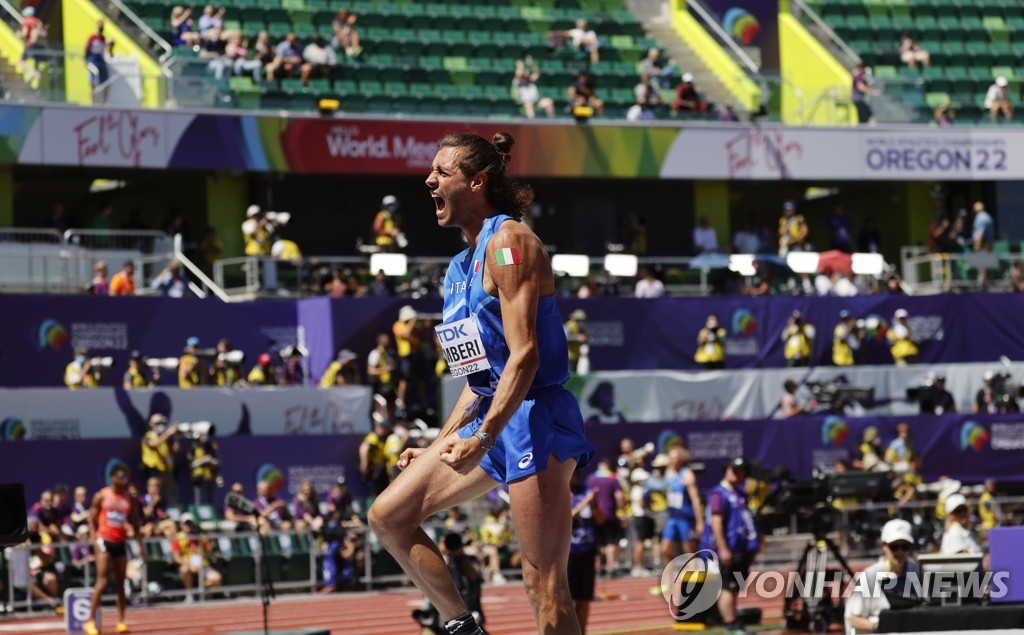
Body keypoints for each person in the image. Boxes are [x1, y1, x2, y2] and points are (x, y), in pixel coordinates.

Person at [368, 132, 594, 635]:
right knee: (389, 515)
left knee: (542, 581)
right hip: (495, 416)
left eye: (442, 173)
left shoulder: (510, 242)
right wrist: (445, 439)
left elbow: (525, 356)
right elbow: (479, 376)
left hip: (535, 416)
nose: (428, 180)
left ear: (477, 182)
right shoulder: (456, 268)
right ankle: (461, 626)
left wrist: (482, 437)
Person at [701, 457, 760, 635]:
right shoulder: (719, 494)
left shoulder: (740, 494)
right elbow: (716, 523)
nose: (736, 473)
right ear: (726, 470)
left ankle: (733, 620)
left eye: (740, 470)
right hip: (727, 549)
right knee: (727, 586)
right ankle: (730, 626)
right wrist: (724, 549)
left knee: (735, 587)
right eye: (733, 469)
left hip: (741, 548)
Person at [83, 464, 141, 635]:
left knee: (121, 583)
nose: (124, 480)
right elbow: (91, 519)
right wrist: (95, 541)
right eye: (121, 477)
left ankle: (121, 621)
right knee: (102, 581)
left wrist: (140, 545)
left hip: (120, 542)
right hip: (104, 540)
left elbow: (135, 522)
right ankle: (90, 621)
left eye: (126, 477)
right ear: (113, 477)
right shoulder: (102, 495)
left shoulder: (128, 498)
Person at [844, 518, 920, 634]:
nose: (899, 552)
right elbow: (853, 619)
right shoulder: (869, 576)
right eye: (894, 547)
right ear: (884, 546)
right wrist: (879, 627)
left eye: (905, 547)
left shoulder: (919, 571)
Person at [568, 470, 600, 634]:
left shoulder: (586, 490)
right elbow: (567, 517)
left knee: (585, 598)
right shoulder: (560, 491)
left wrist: (594, 505)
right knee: (569, 598)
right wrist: (584, 503)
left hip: (588, 550)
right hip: (569, 552)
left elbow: (599, 519)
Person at [661, 448, 703, 563]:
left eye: (673, 457)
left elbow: (695, 500)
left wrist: (699, 521)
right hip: (672, 517)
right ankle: (668, 578)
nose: (670, 460)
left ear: (680, 459)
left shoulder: (687, 475)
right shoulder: (668, 473)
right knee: (665, 550)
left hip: (685, 518)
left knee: (689, 550)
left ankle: (692, 578)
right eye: (669, 457)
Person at [141, 413, 181, 506]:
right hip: (154, 472)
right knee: (155, 495)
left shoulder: (166, 438)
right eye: (158, 423)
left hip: (167, 472)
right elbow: (154, 444)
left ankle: (173, 515)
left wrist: (177, 437)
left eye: (162, 423)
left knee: (172, 495)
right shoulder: (148, 436)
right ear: (151, 424)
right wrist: (169, 432)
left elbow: (175, 450)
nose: (161, 425)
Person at [84, 20, 113, 104]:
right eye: (100, 25)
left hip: (100, 59)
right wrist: (87, 60)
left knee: (106, 81)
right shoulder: (92, 37)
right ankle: (93, 102)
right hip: (92, 59)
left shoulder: (103, 38)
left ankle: (103, 102)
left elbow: (104, 50)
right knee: (93, 81)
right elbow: (87, 48)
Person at [563, 309, 589, 374]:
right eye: (580, 320)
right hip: (569, 356)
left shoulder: (581, 328)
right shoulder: (569, 326)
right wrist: (577, 338)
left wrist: (586, 339)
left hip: (577, 355)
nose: (582, 322)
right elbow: (564, 338)